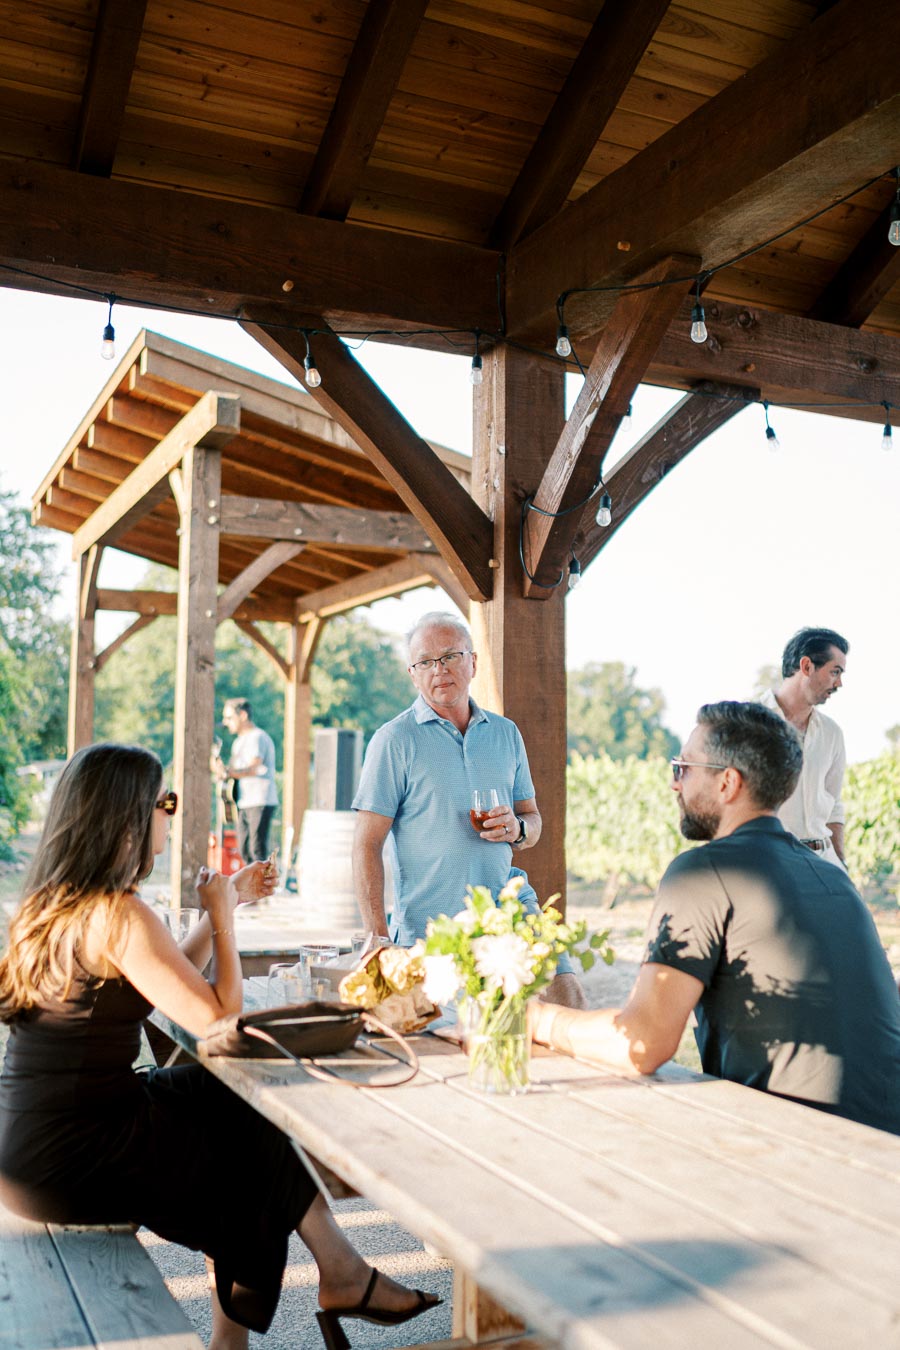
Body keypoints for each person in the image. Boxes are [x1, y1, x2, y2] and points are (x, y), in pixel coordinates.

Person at [0, 743, 440, 1350]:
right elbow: (216, 1019)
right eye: (167, 802)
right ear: (128, 815)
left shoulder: (54, 903)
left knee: (232, 1098)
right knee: (244, 1168)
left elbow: (166, 981)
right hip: (74, 1151)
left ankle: (340, 1270)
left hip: (33, 1135)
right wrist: (226, 918)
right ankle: (243, 1336)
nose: (172, 816)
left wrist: (222, 905)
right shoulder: (119, 913)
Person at [531, 702, 900, 1134]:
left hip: (806, 1148)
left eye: (683, 767)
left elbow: (643, 1042)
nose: (674, 784)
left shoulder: (704, 872)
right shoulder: (833, 877)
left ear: (727, 783)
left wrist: (536, 1019)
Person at [352, 612, 584, 1008]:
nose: (438, 670)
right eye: (425, 662)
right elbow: (365, 845)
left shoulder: (505, 733)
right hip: (432, 929)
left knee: (568, 999)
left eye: (450, 656)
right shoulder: (393, 740)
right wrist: (378, 937)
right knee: (455, 1041)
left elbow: (532, 820)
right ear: (413, 674)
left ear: (473, 662)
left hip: (509, 910)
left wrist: (517, 828)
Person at [759, 626, 849, 867]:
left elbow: (833, 806)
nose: (839, 683)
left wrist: (840, 863)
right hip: (771, 862)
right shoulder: (751, 724)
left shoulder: (832, 733)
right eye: (835, 672)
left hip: (825, 862)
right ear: (807, 666)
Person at [214, 698, 279, 864]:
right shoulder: (238, 742)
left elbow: (253, 767)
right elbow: (233, 772)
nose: (225, 722)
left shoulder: (257, 737)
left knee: (256, 850)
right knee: (244, 850)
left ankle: (262, 889)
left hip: (260, 800)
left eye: (229, 718)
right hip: (244, 801)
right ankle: (251, 889)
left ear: (242, 715)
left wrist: (229, 772)